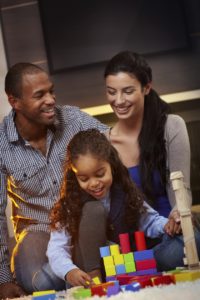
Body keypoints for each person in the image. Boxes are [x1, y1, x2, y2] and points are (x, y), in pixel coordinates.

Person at [0, 63, 108, 299]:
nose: (51, 100)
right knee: (37, 283)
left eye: (51, 91)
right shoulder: (1, 145)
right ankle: (77, 270)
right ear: (14, 101)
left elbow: (113, 149)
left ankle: (79, 270)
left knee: (94, 218)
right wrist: (3, 279)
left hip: (79, 221)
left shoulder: (73, 118)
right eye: (40, 95)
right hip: (36, 229)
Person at [47, 129, 200, 288]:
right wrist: (69, 271)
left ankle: (145, 267)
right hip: (89, 273)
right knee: (93, 210)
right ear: (74, 174)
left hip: (128, 265)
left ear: (111, 166)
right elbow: (56, 249)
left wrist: (167, 225)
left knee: (192, 238)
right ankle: (96, 275)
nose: (93, 183)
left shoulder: (125, 189)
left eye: (100, 174)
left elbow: (149, 221)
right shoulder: (70, 203)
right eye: (84, 178)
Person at [103, 50, 191, 221]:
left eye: (128, 91)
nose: (119, 101)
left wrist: (178, 216)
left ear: (147, 88)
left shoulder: (171, 126)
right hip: (129, 240)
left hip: (171, 232)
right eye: (112, 92)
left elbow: (181, 189)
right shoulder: (103, 143)